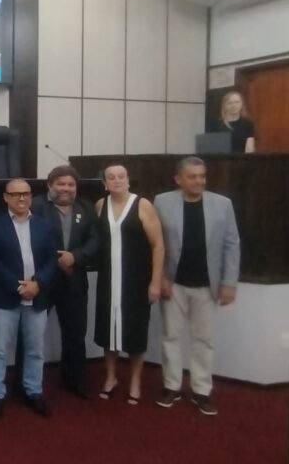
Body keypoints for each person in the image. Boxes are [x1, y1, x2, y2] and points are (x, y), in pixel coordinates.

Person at [154, 156, 240, 416]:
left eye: (202, 176)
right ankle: (171, 386)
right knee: (170, 337)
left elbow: (232, 244)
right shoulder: (162, 202)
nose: (199, 181)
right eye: (192, 176)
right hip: (173, 282)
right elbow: (155, 243)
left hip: (207, 284)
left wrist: (229, 282)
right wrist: (160, 277)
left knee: (204, 339)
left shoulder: (223, 204)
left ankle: (201, 390)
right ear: (178, 179)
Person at [0, 179, 57, 419]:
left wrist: (38, 284)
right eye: (16, 194)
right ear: (5, 197)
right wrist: (17, 286)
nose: (22, 198)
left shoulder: (44, 225)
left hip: (36, 296)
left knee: (35, 350)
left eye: (26, 193)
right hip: (5, 297)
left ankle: (33, 391)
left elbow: (51, 259)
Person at [94, 163, 164, 406]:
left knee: (135, 332)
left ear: (128, 180)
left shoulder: (142, 205)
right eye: (111, 177)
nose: (117, 180)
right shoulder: (100, 205)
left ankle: (135, 380)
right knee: (108, 331)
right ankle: (110, 377)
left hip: (136, 280)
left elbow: (158, 245)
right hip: (108, 280)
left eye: (121, 176)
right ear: (104, 183)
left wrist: (155, 281)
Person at [31, 165, 99, 399]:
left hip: (74, 280)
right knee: (31, 336)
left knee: (75, 335)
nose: (66, 189)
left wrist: (75, 257)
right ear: (50, 185)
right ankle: (27, 383)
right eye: (60, 184)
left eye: (71, 184)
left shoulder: (86, 208)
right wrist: (56, 259)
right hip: (43, 280)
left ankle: (74, 379)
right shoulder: (36, 206)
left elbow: (95, 240)